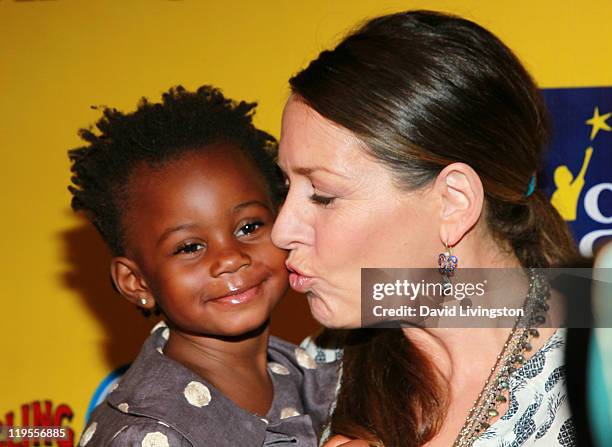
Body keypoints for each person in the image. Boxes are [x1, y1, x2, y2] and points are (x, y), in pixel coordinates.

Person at [271, 10, 583, 447]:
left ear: (453, 203)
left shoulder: (593, 376)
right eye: (285, 186)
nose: (281, 231)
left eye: (322, 194)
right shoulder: (316, 375)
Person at [68, 86, 338, 446]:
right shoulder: (145, 433)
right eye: (190, 247)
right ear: (136, 282)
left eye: (249, 227)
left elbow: (432, 301)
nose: (230, 258)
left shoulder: (309, 374)